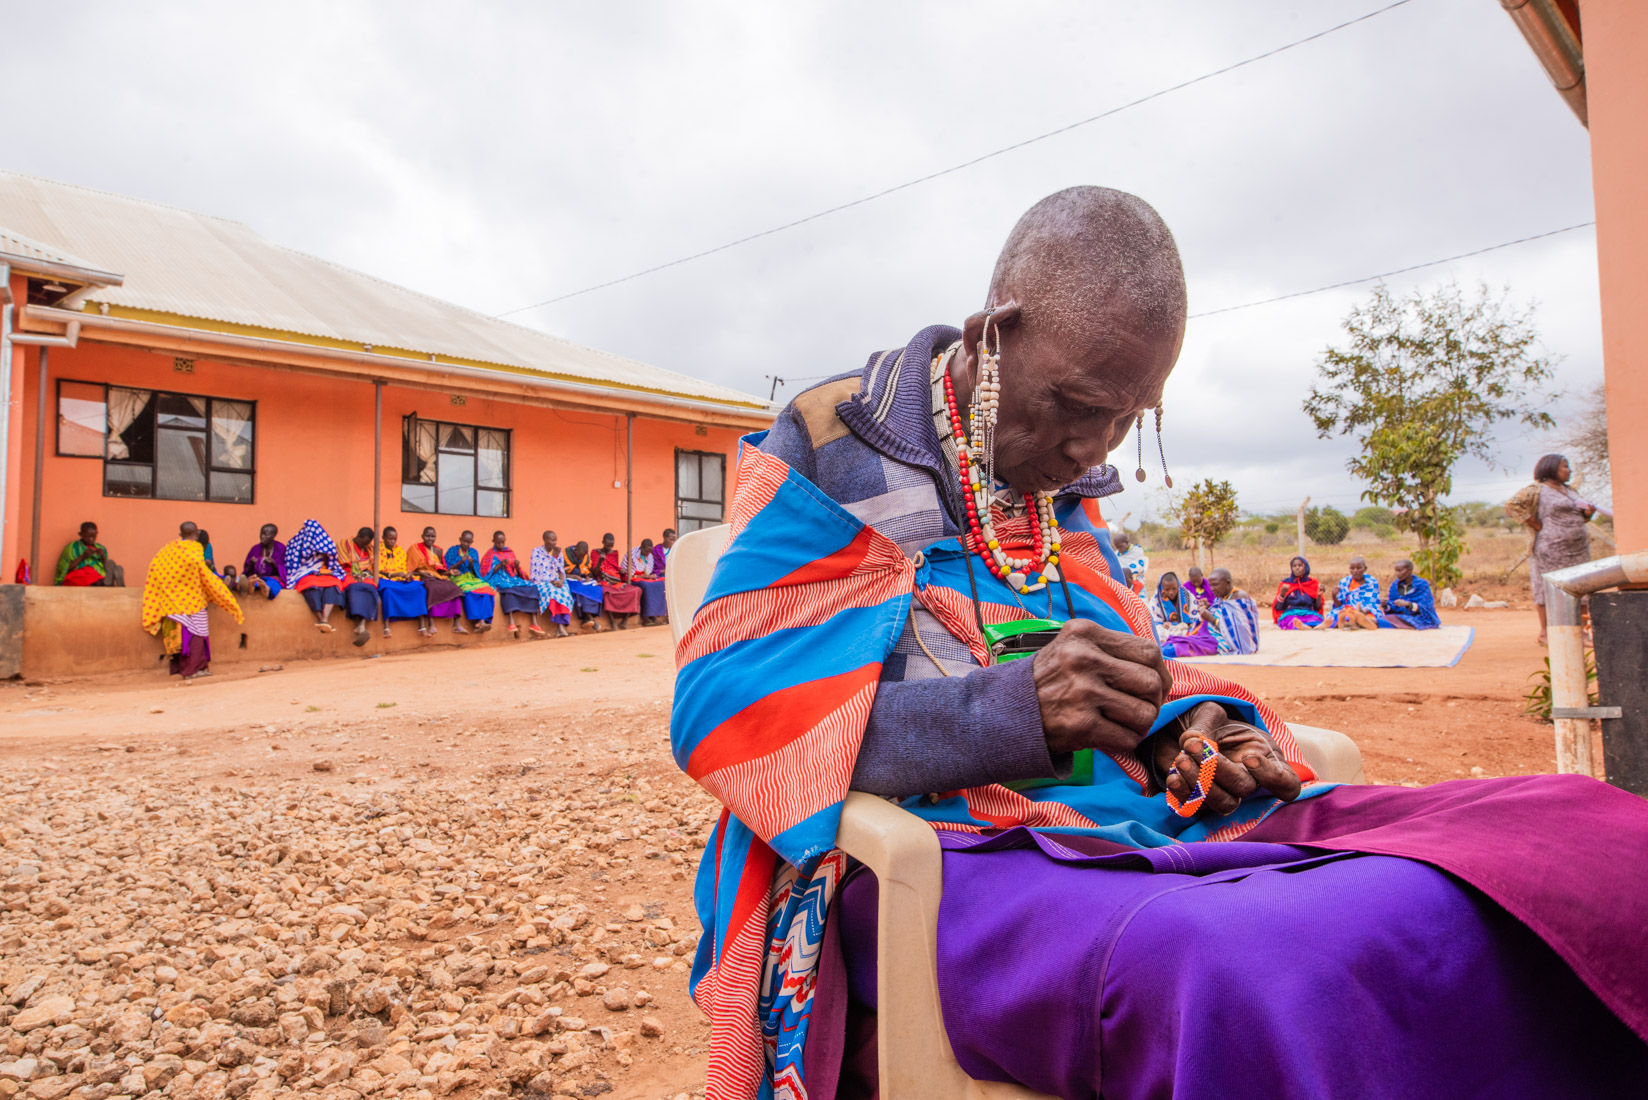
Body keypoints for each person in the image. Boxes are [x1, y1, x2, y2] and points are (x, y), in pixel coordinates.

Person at [669, 187, 1648, 1099]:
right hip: (959, 858)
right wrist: (1008, 712)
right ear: (991, 338)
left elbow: (1131, 669)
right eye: (1078, 405)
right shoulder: (834, 438)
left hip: (1148, 827)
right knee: (1257, 969)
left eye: (1128, 418)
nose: (1095, 451)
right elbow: (724, 711)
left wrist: (1193, 727)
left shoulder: (1064, 489)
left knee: (1587, 832)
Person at [140, 529, 241, 680]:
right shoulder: (194, 550)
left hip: (170, 602)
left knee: (182, 636)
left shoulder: (168, 549)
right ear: (195, 534)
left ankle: (183, 669)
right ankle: (193, 670)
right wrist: (224, 595)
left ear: (180, 533)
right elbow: (205, 576)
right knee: (195, 636)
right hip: (191, 602)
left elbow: (154, 566)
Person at [1522, 453, 1598, 646]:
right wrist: (1534, 523)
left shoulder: (1570, 490)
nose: (1569, 470)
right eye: (1565, 466)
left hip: (1578, 549)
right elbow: (1512, 506)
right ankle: (1545, 633)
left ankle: (1582, 632)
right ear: (1551, 468)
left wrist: (1588, 514)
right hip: (1550, 549)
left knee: (1581, 586)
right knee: (1546, 587)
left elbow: (1579, 516)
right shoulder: (1536, 490)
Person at [285, 519, 344, 633]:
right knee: (311, 587)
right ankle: (320, 619)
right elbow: (293, 563)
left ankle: (325, 619)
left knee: (334, 584)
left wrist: (323, 557)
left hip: (324, 573)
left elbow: (331, 558)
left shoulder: (323, 542)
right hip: (305, 573)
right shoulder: (295, 543)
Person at [408, 527, 469, 637]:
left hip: (437, 577)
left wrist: (450, 572)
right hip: (422, 577)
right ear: (422, 536)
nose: (430, 538)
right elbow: (410, 570)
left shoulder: (438, 550)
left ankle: (456, 624)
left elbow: (442, 571)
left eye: (433, 536)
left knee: (455, 588)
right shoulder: (415, 548)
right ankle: (431, 624)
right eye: (427, 536)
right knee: (431, 589)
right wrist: (421, 573)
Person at [480, 530, 543, 636]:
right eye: (498, 542)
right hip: (497, 578)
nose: (500, 545)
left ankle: (534, 622)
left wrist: (517, 566)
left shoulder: (509, 552)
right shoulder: (489, 554)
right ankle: (511, 622)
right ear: (493, 541)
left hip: (511, 578)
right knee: (507, 589)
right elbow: (485, 573)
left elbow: (516, 573)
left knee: (532, 587)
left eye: (502, 542)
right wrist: (500, 565)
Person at [375, 526, 430, 639]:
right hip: (386, 579)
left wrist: (407, 574)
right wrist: (394, 575)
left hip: (400, 581)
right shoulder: (377, 549)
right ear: (383, 537)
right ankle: (386, 627)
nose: (392, 541)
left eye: (394, 539)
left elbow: (405, 568)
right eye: (389, 538)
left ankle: (422, 626)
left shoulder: (399, 550)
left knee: (419, 589)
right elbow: (376, 569)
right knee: (388, 591)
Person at [1148, 571, 1216, 657]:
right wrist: (1163, 624)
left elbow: (1194, 618)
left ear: (1178, 587)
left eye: (1174, 588)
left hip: (1185, 629)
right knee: (1157, 633)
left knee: (1199, 631)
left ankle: (1177, 643)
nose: (1171, 592)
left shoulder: (1188, 596)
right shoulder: (1156, 600)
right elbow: (1153, 621)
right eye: (1167, 589)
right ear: (1162, 588)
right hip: (1166, 631)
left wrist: (1184, 625)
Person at [441, 530, 495, 633]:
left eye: (468, 542)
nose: (466, 544)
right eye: (464, 541)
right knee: (468, 590)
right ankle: (477, 620)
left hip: (471, 578)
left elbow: (476, 572)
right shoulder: (452, 550)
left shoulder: (474, 552)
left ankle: (482, 621)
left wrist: (471, 564)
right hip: (458, 577)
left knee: (487, 589)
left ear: (472, 542)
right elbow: (447, 568)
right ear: (460, 539)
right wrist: (460, 561)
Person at [339, 527, 383, 647]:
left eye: (367, 543)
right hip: (347, 574)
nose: (365, 545)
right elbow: (341, 564)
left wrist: (362, 574)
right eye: (363, 542)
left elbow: (369, 567)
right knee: (354, 590)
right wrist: (355, 574)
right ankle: (360, 626)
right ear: (358, 536)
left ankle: (361, 626)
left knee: (371, 590)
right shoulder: (344, 544)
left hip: (365, 576)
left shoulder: (369, 548)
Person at [1202, 566, 1260, 655]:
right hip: (1218, 637)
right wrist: (1208, 608)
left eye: (1215, 584)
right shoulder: (1221, 598)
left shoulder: (1238, 598)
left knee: (1195, 646)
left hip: (1231, 643)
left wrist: (1212, 619)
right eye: (1210, 585)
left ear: (1228, 583)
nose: (1212, 588)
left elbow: (1239, 632)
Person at [529, 530, 574, 638]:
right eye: (552, 540)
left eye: (555, 540)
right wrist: (553, 557)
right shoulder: (536, 552)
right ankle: (559, 627)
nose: (554, 543)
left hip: (557, 581)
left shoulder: (559, 551)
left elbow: (561, 570)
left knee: (565, 593)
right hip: (542, 582)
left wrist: (562, 581)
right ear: (545, 540)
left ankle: (561, 626)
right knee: (553, 592)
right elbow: (536, 573)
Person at [55, 522, 123, 586]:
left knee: (106, 578)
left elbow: (107, 571)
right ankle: (101, 584)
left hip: (97, 576)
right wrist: (83, 556)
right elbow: (64, 568)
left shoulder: (101, 548)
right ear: (80, 534)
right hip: (78, 577)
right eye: (87, 536)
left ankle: (104, 583)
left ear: (97, 533)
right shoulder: (72, 547)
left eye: (93, 536)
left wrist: (102, 557)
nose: (91, 539)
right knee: (91, 578)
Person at [1331, 556, 1390, 629]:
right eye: (1352, 568)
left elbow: (1373, 602)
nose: (1355, 571)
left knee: (1373, 616)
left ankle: (1356, 620)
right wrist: (1334, 596)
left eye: (1358, 568)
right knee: (1336, 615)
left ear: (1365, 569)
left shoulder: (1372, 582)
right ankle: (1355, 621)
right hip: (1347, 609)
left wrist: (1364, 610)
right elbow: (1338, 605)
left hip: (1366, 609)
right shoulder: (1344, 582)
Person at [595, 532, 640, 628]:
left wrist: (621, 570)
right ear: (603, 542)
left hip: (616, 581)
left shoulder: (614, 553)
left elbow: (615, 567)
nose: (610, 547)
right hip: (604, 581)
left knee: (636, 590)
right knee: (607, 593)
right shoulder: (596, 553)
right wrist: (600, 561)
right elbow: (595, 572)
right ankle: (612, 622)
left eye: (611, 545)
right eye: (608, 545)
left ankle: (624, 621)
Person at [1386, 558, 1441, 630]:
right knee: (1390, 618)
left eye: (1400, 570)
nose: (1397, 574)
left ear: (1409, 570)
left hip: (1421, 619)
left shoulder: (1421, 585)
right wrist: (1386, 605)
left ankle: (1371, 622)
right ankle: (1370, 622)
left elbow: (1426, 607)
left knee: (1388, 620)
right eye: (1396, 571)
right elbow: (1392, 606)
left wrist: (1408, 604)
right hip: (1399, 616)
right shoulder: (1395, 586)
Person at [1272, 555, 1324, 629]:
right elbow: (1278, 608)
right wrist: (1282, 594)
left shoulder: (1313, 583)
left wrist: (1319, 596)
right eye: (1294, 566)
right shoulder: (1285, 583)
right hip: (1291, 613)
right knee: (1292, 621)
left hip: (1308, 612)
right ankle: (1305, 626)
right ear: (1291, 568)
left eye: (1300, 565)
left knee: (1316, 619)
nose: (1297, 568)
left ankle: (1311, 626)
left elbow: (1317, 608)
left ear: (1305, 567)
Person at [564, 541, 607, 631]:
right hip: (569, 579)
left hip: (582, 579)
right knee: (580, 589)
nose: (581, 558)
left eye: (583, 556)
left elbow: (588, 570)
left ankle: (591, 617)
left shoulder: (586, 557)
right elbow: (558, 573)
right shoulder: (565, 555)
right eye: (580, 555)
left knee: (597, 588)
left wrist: (588, 576)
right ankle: (588, 617)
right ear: (576, 550)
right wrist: (574, 576)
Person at [238, 524, 287, 599]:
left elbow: (284, 572)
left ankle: (265, 588)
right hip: (256, 578)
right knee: (251, 581)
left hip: (272, 579)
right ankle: (252, 586)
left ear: (273, 535)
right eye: (261, 534)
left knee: (272, 584)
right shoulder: (255, 549)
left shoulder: (280, 549)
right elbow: (246, 573)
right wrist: (251, 565)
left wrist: (274, 564)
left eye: (266, 534)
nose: (262, 537)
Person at [629, 537, 668, 625]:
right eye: (646, 551)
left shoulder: (650, 556)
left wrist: (651, 576)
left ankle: (655, 615)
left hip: (646, 578)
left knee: (660, 584)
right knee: (646, 586)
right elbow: (630, 574)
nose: (648, 554)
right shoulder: (633, 554)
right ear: (642, 548)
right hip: (635, 578)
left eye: (649, 552)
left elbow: (650, 571)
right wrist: (645, 577)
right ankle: (646, 616)